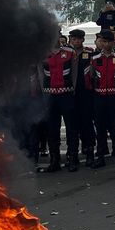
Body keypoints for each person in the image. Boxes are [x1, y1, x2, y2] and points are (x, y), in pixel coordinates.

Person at [38, 37, 78, 172]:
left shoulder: (70, 52)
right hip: (50, 96)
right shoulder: (42, 53)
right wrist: (44, 93)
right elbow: (40, 74)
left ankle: (72, 158)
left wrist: (73, 90)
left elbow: (75, 73)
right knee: (52, 129)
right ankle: (54, 160)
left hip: (66, 94)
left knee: (71, 128)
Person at [91, 29, 115, 168]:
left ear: (113, 42)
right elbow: (92, 77)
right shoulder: (94, 58)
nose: (105, 44)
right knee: (99, 128)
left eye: (108, 41)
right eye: (103, 41)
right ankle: (100, 157)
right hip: (99, 96)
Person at [69, 29, 96, 167]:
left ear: (83, 40)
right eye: (73, 39)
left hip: (86, 92)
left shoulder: (89, 53)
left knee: (87, 122)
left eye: (78, 39)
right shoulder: (67, 54)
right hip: (70, 93)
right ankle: (72, 155)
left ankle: (90, 151)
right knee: (72, 125)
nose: (76, 42)